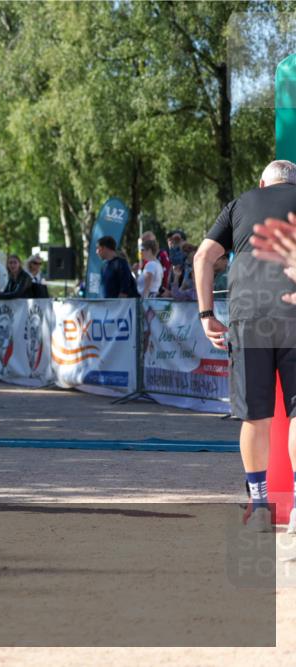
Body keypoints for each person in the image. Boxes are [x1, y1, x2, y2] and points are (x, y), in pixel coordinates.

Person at [194, 159, 296, 533]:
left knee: (256, 416)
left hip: (249, 316)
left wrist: (206, 313)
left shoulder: (239, 204)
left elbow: (203, 255)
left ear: (263, 183)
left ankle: (260, 506)